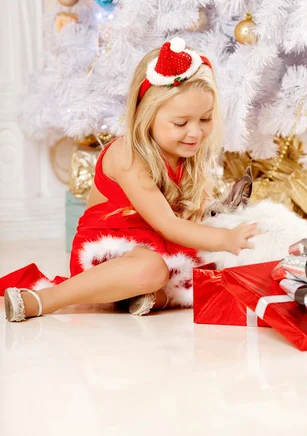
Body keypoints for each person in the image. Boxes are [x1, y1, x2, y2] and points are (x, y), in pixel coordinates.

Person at [2, 37, 258, 322]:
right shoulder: (127, 155)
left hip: (159, 248)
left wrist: (232, 235)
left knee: (213, 270)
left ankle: (146, 297)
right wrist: (225, 239)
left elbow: (197, 222)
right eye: (181, 123)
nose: (196, 133)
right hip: (111, 247)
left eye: (205, 119)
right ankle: (47, 298)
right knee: (153, 270)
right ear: (146, 116)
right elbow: (169, 225)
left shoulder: (190, 160)